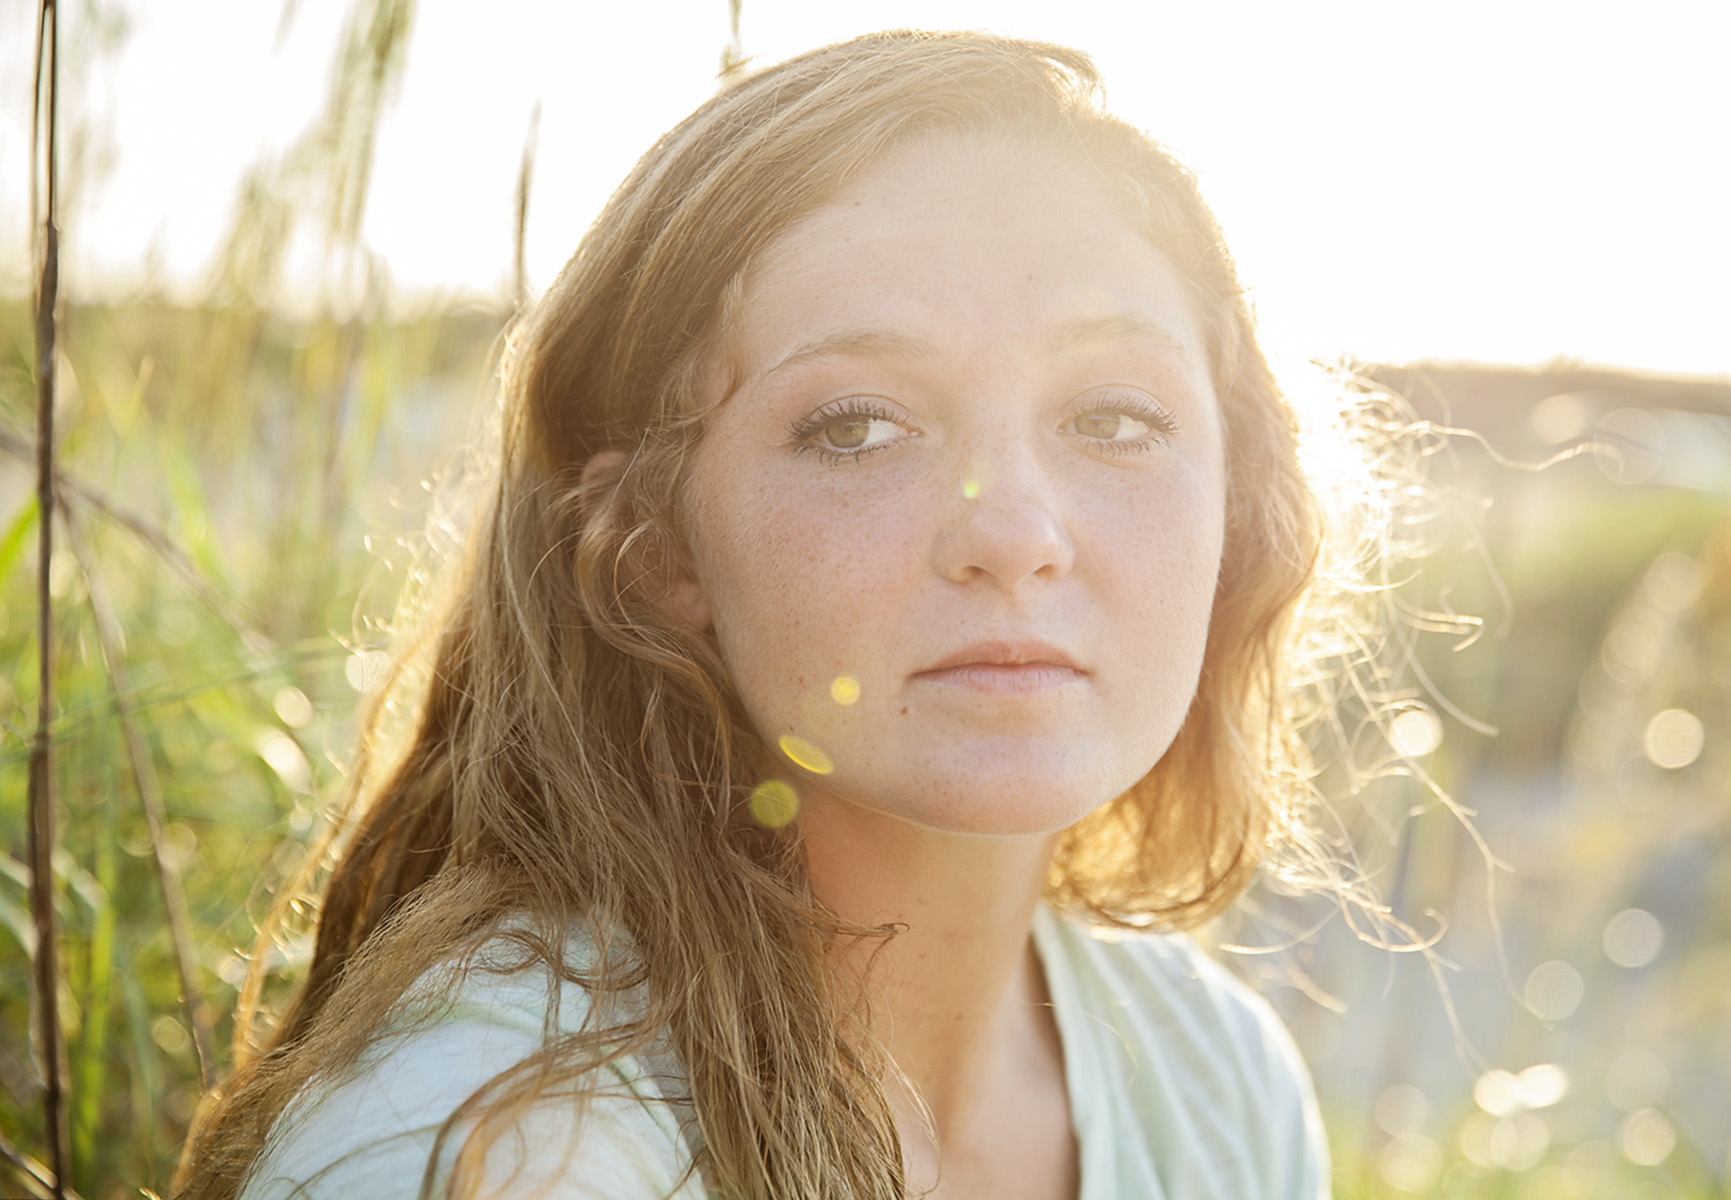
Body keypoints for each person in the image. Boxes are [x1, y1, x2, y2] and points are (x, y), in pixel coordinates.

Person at [176, 30, 1355, 1200]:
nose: (1015, 535)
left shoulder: (1217, 1084)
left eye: (1114, 418)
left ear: (1235, 500)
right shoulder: (500, 1153)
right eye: (855, 425)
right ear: (652, 543)